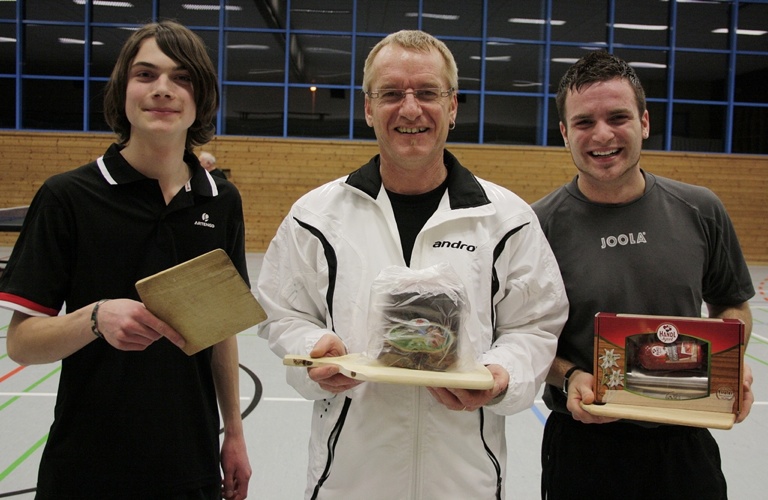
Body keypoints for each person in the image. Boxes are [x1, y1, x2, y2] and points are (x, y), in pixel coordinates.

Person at [256, 29, 569, 499]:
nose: (409, 109)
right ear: (367, 107)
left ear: (453, 106)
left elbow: (536, 325)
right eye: (390, 94)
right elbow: (281, 313)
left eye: (427, 93)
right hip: (350, 480)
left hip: (464, 481)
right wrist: (313, 347)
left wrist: (502, 374)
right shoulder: (316, 217)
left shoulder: (506, 221)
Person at [0, 21, 251, 499]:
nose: (163, 90)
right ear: (123, 91)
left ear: (200, 98)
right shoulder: (67, 197)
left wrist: (234, 433)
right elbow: (21, 344)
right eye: (146, 74)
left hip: (191, 466)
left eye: (182, 78)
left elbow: (221, 330)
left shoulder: (220, 201)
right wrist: (95, 318)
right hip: (86, 469)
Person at [533, 50, 755, 499]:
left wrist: (729, 363)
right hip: (582, 447)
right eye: (583, 123)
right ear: (563, 133)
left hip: (683, 443)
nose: (602, 135)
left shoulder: (701, 209)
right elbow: (524, 337)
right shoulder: (536, 226)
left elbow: (732, 302)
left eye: (618, 117)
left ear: (645, 122)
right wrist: (572, 376)